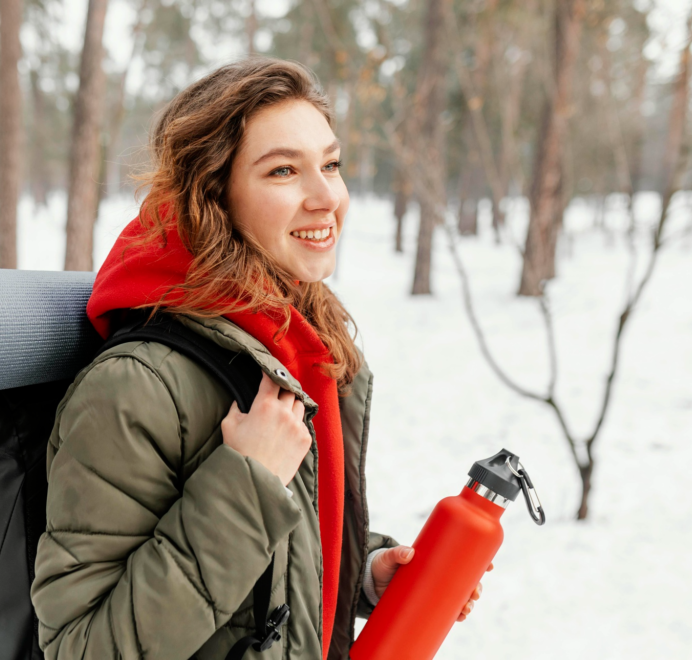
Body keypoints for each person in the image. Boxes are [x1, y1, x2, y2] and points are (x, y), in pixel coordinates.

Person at [31, 57, 490, 659]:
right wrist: (246, 486)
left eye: (330, 164)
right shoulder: (135, 386)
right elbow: (81, 650)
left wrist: (365, 571)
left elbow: (266, 560)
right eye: (283, 171)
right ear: (213, 195)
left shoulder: (297, 339)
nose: (326, 196)